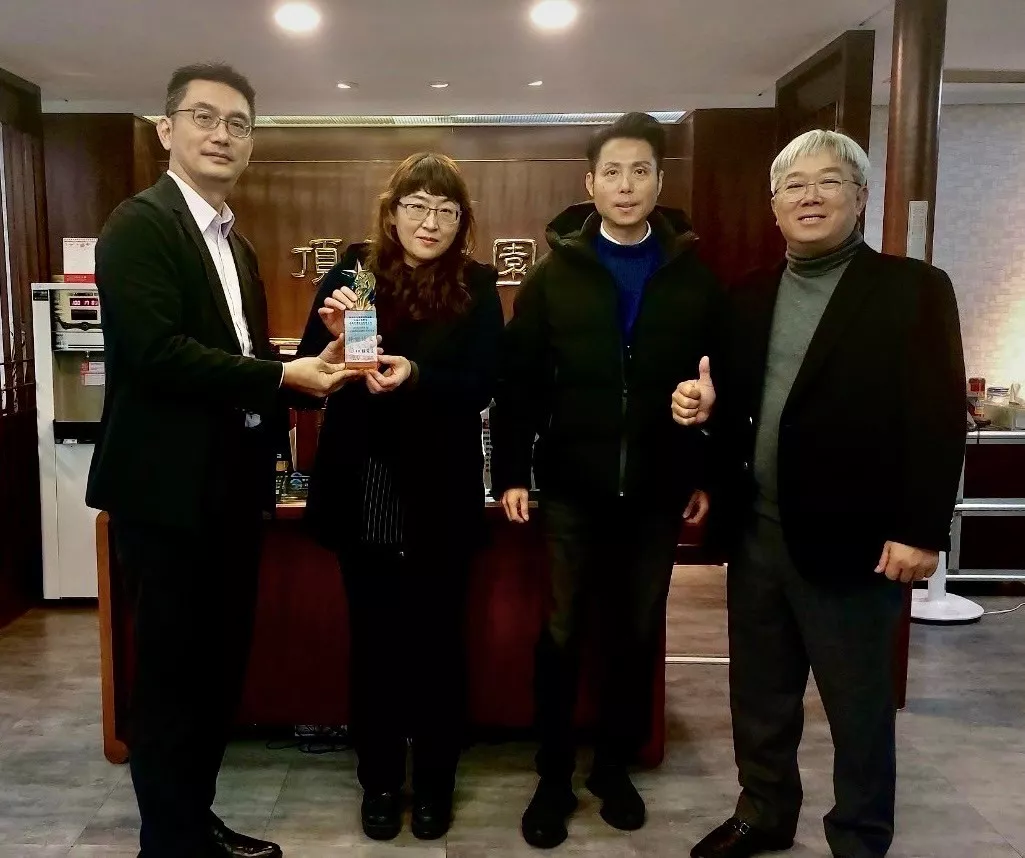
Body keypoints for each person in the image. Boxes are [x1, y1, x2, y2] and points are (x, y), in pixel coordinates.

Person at [87, 63, 356, 858]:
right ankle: (168, 844)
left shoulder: (233, 245)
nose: (221, 134)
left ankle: (191, 822)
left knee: (215, 674)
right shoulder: (139, 225)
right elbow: (159, 355)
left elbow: (243, 361)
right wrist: (281, 377)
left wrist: (310, 370)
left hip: (230, 493)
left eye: (238, 123)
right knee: (172, 678)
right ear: (166, 129)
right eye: (203, 117)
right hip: (166, 496)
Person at [689, 130, 967, 858]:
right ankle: (764, 812)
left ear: (860, 197)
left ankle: (859, 836)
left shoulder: (912, 290)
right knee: (760, 696)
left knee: (858, 705)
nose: (809, 197)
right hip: (758, 533)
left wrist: (921, 531)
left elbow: (938, 418)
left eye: (828, 182)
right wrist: (702, 406)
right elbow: (737, 402)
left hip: (858, 541)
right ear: (774, 205)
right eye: (793, 185)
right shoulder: (748, 295)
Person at [490, 112, 723, 850]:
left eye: (640, 171)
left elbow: (718, 384)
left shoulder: (692, 278)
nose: (626, 185)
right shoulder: (553, 276)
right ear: (590, 184)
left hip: (656, 486)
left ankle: (613, 767)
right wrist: (511, 471)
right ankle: (554, 775)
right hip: (572, 485)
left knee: (636, 629)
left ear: (659, 181)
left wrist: (702, 463)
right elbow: (519, 382)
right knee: (563, 631)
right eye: (612, 172)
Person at [296, 152, 504, 842]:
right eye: (416, 205)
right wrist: (334, 347)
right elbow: (309, 374)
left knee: (439, 644)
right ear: (392, 214)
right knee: (375, 644)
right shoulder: (354, 272)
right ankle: (380, 782)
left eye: (445, 210)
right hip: (365, 485)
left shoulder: (476, 284)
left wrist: (416, 373)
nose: (429, 221)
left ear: (461, 221)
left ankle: (436, 782)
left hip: (440, 489)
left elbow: (483, 383)